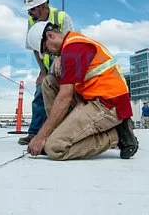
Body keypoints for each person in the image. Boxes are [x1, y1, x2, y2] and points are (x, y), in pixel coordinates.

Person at [25, 21, 138, 160]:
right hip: (93, 97)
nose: (50, 54)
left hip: (108, 105)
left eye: (47, 50)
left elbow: (65, 97)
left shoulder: (73, 49)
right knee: (48, 82)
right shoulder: (72, 42)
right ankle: (57, 133)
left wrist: (41, 136)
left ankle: (116, 135)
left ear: (51, 36)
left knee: (54, 148)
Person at [18, 0, 74, 146]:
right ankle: (34, 133)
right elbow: (35, 48)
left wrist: (60, 57)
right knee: (39, 93)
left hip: (66, 61)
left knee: (67, 94)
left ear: (43, 6)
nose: (30, 14)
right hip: (47, 66)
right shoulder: (32, 22)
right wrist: (42, 71)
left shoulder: (61, 17)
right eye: (28, 11)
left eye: (32, 10)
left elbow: (71, 41)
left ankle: (62, 130)